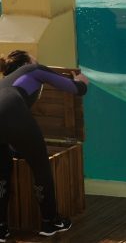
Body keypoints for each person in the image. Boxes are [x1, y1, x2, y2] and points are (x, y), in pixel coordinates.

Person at [0, 50, 89, 242]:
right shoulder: (33, 69)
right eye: (34, 58)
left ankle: (1, 228)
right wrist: (81, 81)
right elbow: (77, 89)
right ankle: (51, 221)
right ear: (26, 63)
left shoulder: (4, 82)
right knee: (41, 167)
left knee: (1, 170)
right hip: (14, 114)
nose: (38, 60)